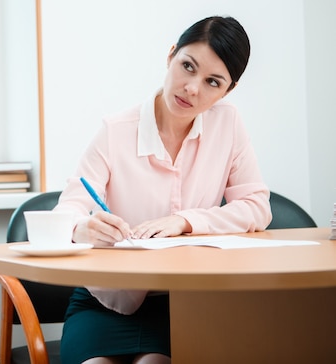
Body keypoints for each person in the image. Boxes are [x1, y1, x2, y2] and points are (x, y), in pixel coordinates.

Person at [53, 16, 272, 364]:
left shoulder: (227, 124)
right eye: (188, 66)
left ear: (226, 92)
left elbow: (257, 207)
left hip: (183, 304)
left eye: (212, 82)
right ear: (170, 56)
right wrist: (82, 227)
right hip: (105, 300)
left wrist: (185, 221)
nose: (192, 88)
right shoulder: (116, 130)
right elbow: (66, 213)